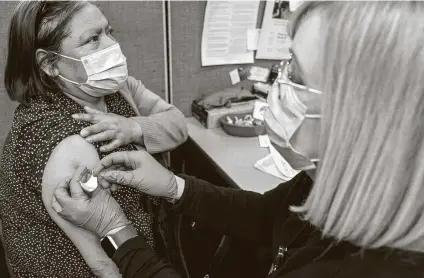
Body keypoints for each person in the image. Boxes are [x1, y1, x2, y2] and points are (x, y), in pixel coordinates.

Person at [54, 1, 424, 278]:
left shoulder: (370, 268)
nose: (274, 86)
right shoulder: (337, 180)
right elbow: (267, 216)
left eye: (294, 72)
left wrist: (115, 231)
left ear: (362, 111)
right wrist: (173, 186)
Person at [0, 1, 187, 277]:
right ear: (49, 64)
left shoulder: (117, 89)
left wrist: (133, 127)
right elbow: (105, 267)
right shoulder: (66, 143)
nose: (112, 46)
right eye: (93, 39)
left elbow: (178, 124)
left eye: (109, 32)